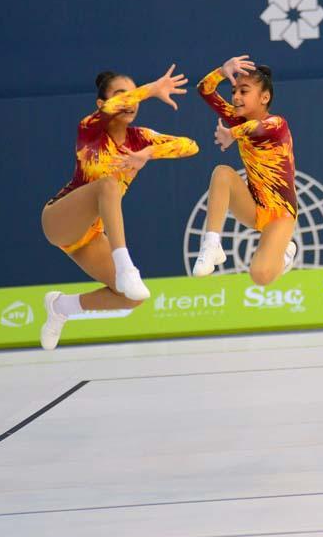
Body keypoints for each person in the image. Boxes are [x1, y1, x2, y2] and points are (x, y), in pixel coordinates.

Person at [39, 65, 198, 350]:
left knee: (132, 298)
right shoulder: (89, 128)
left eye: (134, 95)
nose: (132, 101)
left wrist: (149, 153)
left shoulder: (140, 138)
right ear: (102, 104)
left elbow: (191, 145)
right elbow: (117, 106)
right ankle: (126, 266)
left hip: (88, 238)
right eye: (124, 95)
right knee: (108, 185)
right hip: (60, 218)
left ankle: (60, 307)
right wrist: (150, 89)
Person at [192, 55, 297, 285]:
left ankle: (287, 254)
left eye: (244, 91)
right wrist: (221, 71)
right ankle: (211, 244)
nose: (236, 97)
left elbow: (259, 129)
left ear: (264, 97)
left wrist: (232, 134)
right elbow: (204, 90)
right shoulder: (237, 120)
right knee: (222, 173)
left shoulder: (277, 124)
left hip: (281, 214)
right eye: (234, 91)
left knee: (260, 276)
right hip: (253, 207)